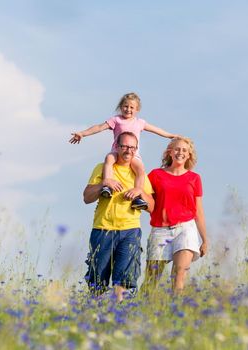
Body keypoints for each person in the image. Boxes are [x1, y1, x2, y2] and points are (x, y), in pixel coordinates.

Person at [70, 92, 177, 209]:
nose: (128, 109)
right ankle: (107, 185)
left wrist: (170, 135)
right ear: (121, 107)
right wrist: (82, 134)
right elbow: (99, 127)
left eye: (132, 107)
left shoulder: (139, 122)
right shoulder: (116, 120)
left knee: (140, 169)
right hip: (117, 151)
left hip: (133, 154)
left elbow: (156, 129)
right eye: (125, 106)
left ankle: (137, 196)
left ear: (137, 110)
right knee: (109, 159)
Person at [83, 131, 154, 302]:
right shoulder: (102, 168)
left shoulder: (139, 174)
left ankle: (118, 314)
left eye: (132, 147)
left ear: (136, 150)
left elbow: (152, 207)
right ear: (116, 146)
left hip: (129, 230)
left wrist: (140, 192)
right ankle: (95, 315)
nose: (128, 151)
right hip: (103, 229)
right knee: (97, 280)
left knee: (124, 279)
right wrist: (103, 184)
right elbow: (86, 197)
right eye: (124, 146)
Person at [142, 136, 208, 294]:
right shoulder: (155, 175)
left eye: (184, 150)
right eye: (177, 149)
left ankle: (174, 311)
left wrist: (205, 239)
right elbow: (145, 201)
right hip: (160, 230)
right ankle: (141, 310)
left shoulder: (194, 178)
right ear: (170, 152)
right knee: (152, 278)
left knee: (179, 274)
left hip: (186, 228)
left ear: (189, 155)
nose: (180, 152)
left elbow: (198, 210)